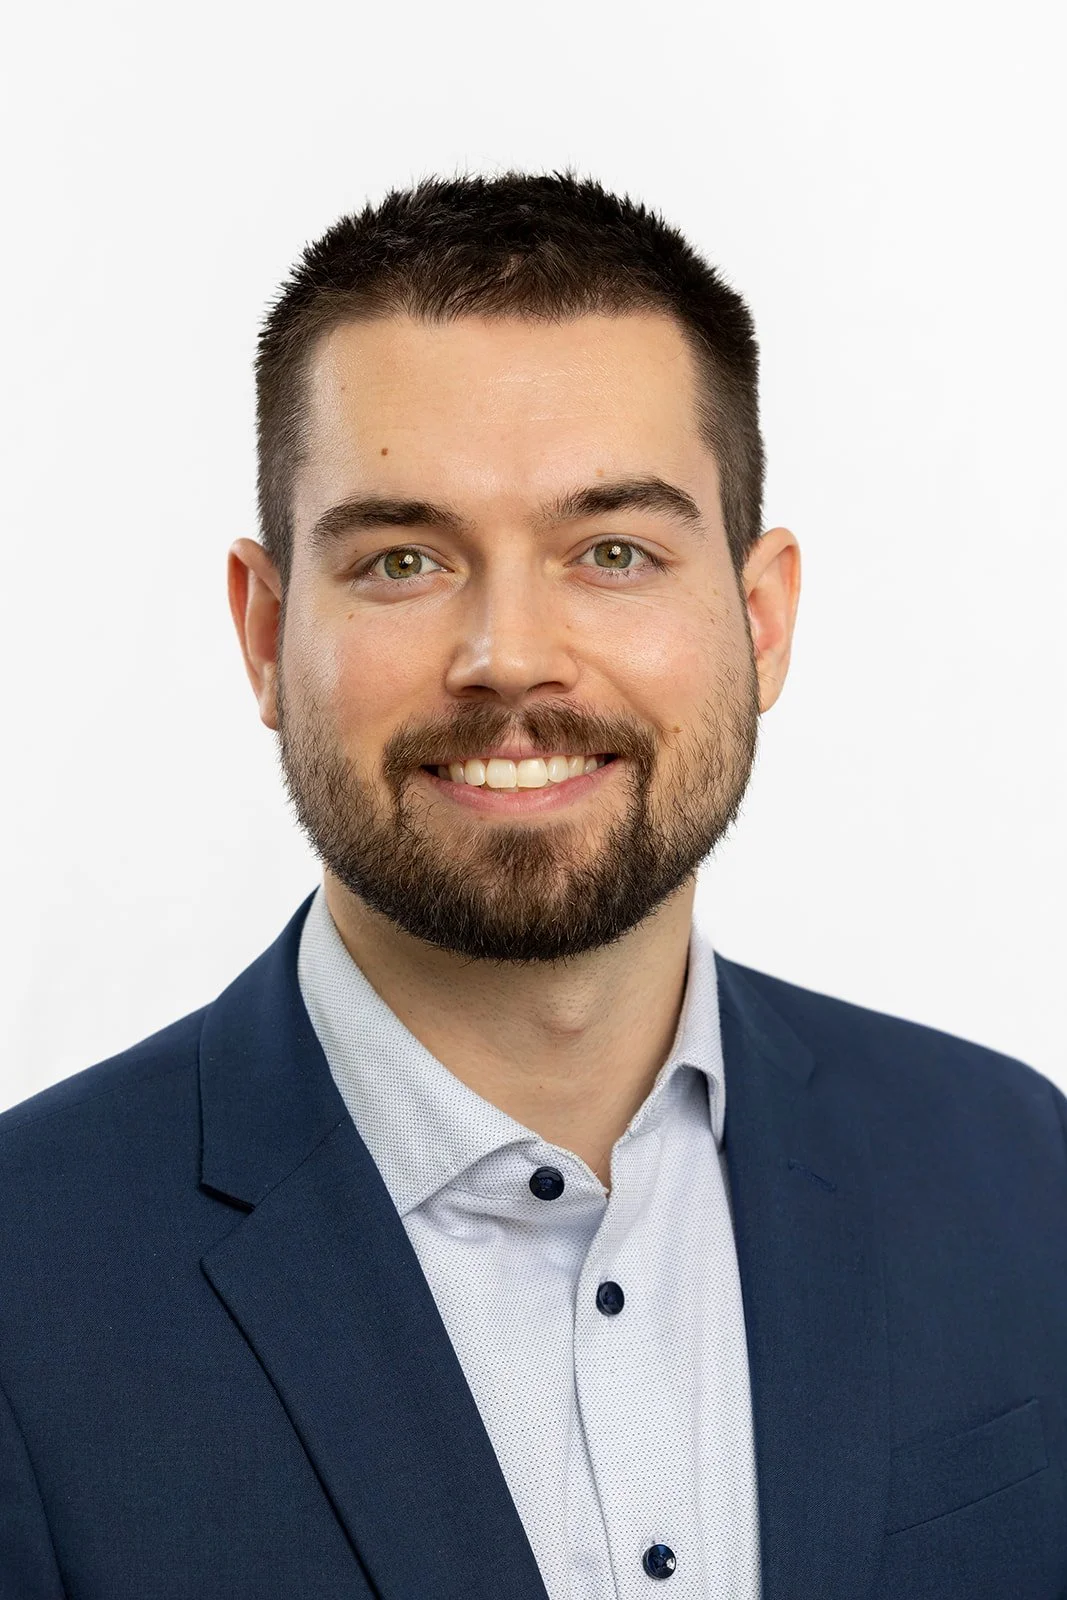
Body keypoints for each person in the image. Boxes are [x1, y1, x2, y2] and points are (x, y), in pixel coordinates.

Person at [1, 173, 1064, 1600]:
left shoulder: (1014, 1167)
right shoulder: (26, 1279)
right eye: (403, 560)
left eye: (612, 552)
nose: (510, 655)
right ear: (265, 633)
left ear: (760, 621)